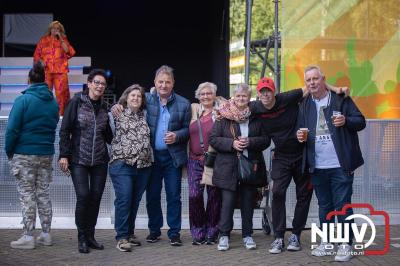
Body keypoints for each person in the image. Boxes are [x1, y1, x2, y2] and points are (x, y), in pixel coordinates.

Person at [250, 77, 348, 254]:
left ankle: (295, 234)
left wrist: (337, 88)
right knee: (277, 192)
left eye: (268, 91)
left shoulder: (286, 98)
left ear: (274, 91)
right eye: (262, 91)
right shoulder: (255, 107)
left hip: (302, 154)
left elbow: (312, 86)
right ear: (258, 94)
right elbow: (233, 105)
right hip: (281, 156)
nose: (265, 94)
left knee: (304, 195)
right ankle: (279, 237)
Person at [111, 65, 191, 246]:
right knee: (152, 196)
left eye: (167, 82)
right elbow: (130, 102)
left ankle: (174, 233)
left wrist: (177, 135)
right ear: (154, 83)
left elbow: (188, 130)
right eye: (160, 82)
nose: (164, 85)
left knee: (174, 196)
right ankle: (154, 231)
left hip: (172, 158)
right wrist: (117, 105)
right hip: (150, 158)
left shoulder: (184, 104)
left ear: (173, 83)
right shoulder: (147, 99)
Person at [296, 65, 366, 262]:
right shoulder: (304, 104)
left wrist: (345, 121)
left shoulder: (340, 99)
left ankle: (346, 244)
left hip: (340, 163)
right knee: (325, 205)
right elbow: (299, 129)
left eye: (315, 79)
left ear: (323, 79)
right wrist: (299, 136)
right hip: (317, 165)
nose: (312, 83)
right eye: (308, 80)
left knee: (342, 204)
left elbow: (360, 121)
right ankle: (327, 242)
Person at [209, 84, 270, 251]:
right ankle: (224, 236)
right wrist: (232, 143)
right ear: (233, 97)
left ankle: (248, 235)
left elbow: (266, 140)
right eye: (238, 96)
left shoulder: (257, 117)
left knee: (248, 203)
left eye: (244, 96)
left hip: (250, 167)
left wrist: (250, 142)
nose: (241, 99)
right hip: (228, 168)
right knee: (227, 203)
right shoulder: (223, 116)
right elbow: (213, 139)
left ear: (249, 98)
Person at [5, 62, 59, 249]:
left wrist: (9, 151)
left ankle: (28, 236)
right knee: (43, 193)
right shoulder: (53, 102)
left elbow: (12, 130)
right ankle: (46, 234)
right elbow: (53, 127)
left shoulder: (23, 100)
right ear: (44, 79)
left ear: (29, 80)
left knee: (27, 194)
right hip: (46, 154)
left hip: (25, 153)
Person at [59, 69, 113, 253]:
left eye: (102, 84)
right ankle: (81, 237)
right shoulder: (76, 102)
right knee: (84, 196)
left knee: (96, 198)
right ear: (89, 84)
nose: (99, 86)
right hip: (79, 159)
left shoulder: (105, 107)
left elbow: (108, 135)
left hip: (99, 160)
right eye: (96, 82)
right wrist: (64, 155)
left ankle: (90, 236)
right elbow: (65, 130)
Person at [108, 84, 153, 252]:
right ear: (126, 98)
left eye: (139, 96)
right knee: (124, 199)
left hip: (143, 165)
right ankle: (121, 237)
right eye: (132, 95)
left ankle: (129, 233)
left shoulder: (145, 115)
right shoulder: (116, 113)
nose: (135, 98)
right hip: (122, 164)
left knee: (134, 201)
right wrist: (114, 106)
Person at [188, 82, 224, 245]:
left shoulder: (221, 112)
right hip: (194, 160)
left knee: (214, 196)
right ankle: (197, 230)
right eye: (202, 94)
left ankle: (212, 230)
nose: (205, 96)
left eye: (209, 93)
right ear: (198, 96)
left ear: (214, 95)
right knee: (194, 195)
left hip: (213, 160)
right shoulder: (193, 110)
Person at [34, 20, 76, 115]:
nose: (55, 30)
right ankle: (45, 114)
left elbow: (69, 51)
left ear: (60, 30)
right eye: (53, 28)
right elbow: (36, 55)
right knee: (45, 93)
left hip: (60, 71)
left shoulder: (63, 40)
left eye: (57, 29)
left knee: (61, 95)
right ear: (50, 29)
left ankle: (61, 116)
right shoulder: (43, 40)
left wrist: (61, 38)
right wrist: (41, 61)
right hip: (47, 71)